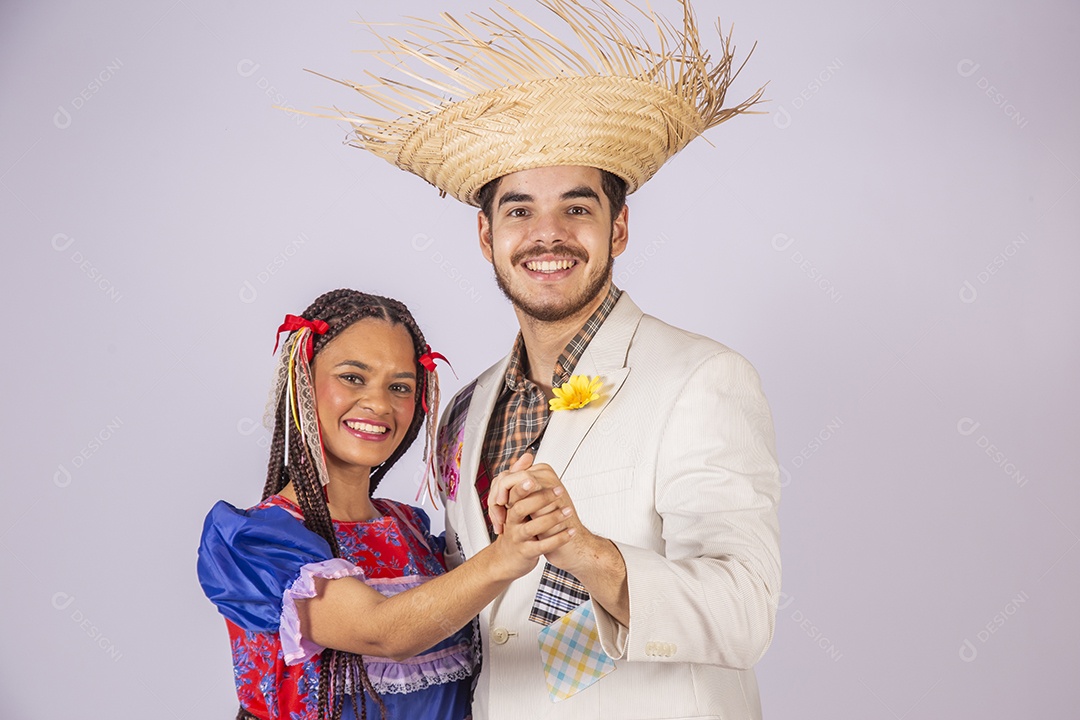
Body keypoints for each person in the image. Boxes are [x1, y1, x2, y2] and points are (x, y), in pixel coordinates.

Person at [315, 1, 781, 717]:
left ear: (618, 226)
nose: (548, 235)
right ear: (486, 235)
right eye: (520, 211)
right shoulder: (463, 413)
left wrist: (585, 550)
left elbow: (746, 613)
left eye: (577, 208)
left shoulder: (702, 379)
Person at [197, 289, 575, 720]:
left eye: (399, 387)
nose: (379, 404)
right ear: (302, 381)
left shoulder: (412, 531)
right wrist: (504, 556)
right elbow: (383, 632)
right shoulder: (256, 542)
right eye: (352, 377)